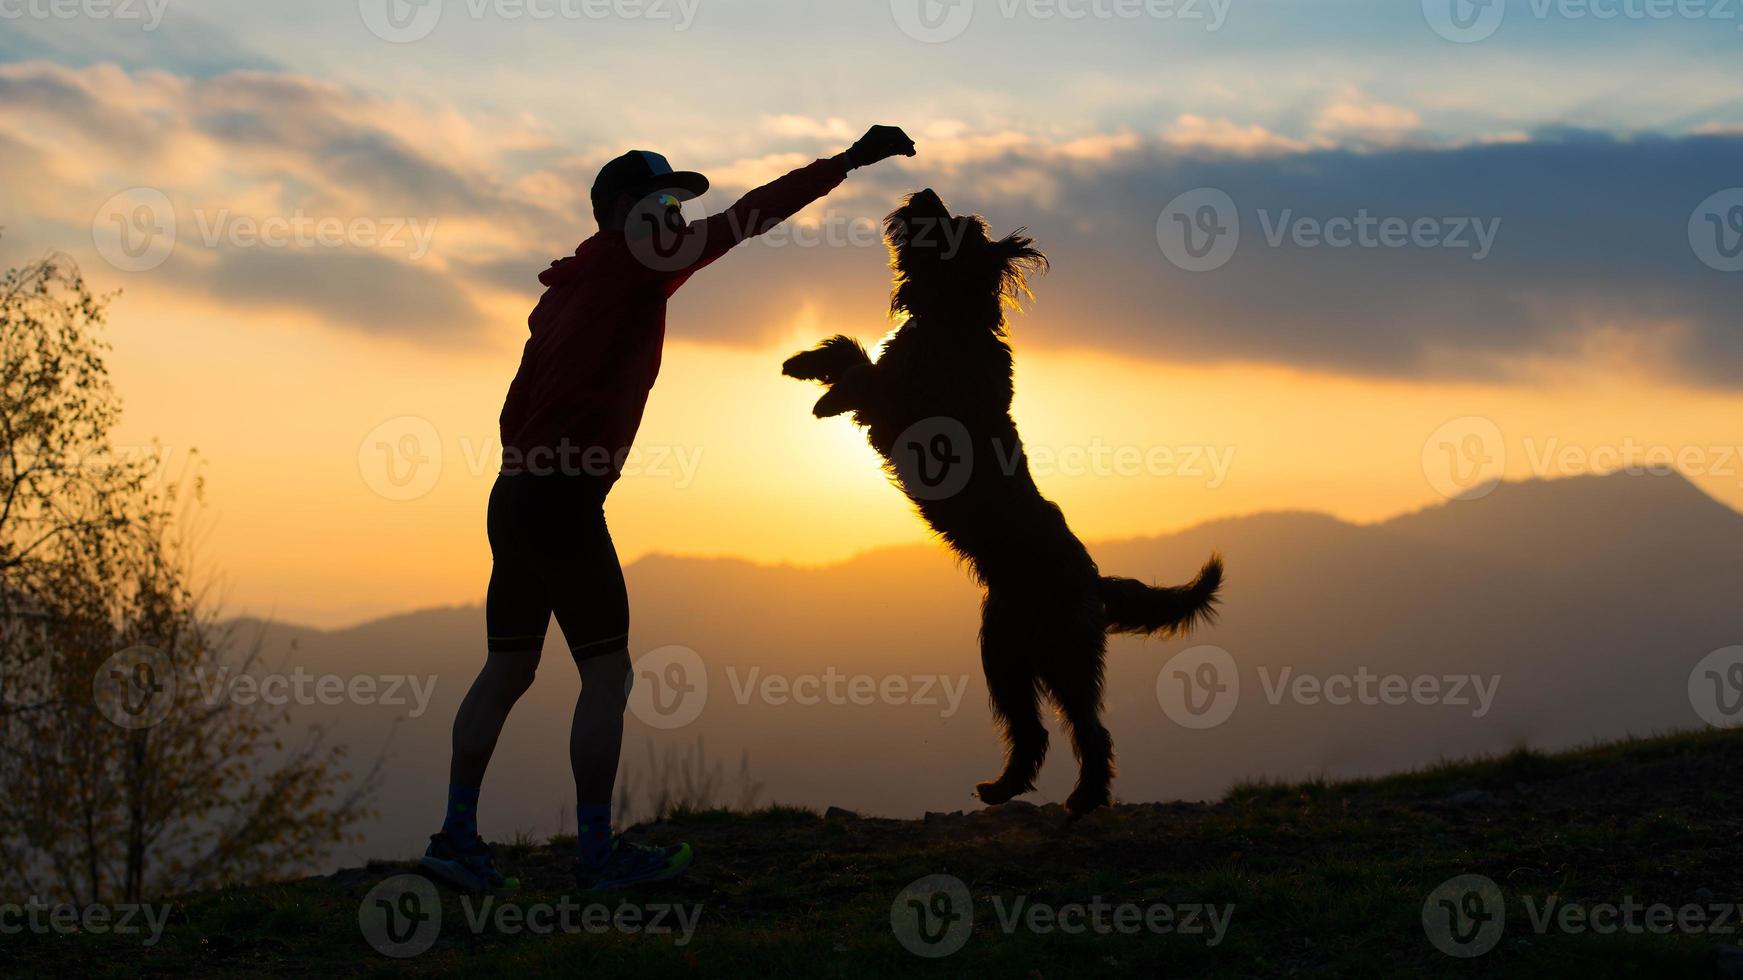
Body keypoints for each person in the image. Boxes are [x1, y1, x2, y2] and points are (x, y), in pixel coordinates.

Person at [420, 125, 918, 893]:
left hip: (513, 491)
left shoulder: (565, 290)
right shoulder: (635, 266)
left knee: (508, 666)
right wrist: (846, 163)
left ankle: (455, 838)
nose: (680, 218)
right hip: (562, 498)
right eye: (666, 201)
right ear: (625, 210)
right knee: (607, 675)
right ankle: (594, 856)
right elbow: (750, 217)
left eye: (681, 206)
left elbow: (513, 407)